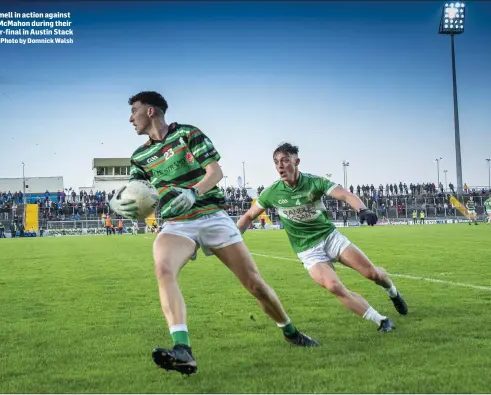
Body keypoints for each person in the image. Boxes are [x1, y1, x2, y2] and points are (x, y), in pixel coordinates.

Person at [111, 92, 318, 375]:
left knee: (255, 284)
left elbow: (215, 172)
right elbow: (139, 196)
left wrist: (194, 192)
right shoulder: (139, 157)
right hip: (176, 223)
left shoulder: (188, 134)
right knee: (163, 269)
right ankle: (182, 349)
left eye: (134, 110)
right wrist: (124, 203)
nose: (130, 118)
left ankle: (290, 331)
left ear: (150, 111)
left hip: (212, 216)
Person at [237, 143, 408, 333]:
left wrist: (362, 209)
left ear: (297, 161)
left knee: (372, 274)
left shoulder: (313, 182)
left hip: (330, 238)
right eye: (276, 162)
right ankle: (382, 321)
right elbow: (247, 216)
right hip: (307, 250)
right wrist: (232, 238)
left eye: (285, 160)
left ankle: (393, 292)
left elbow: (344, 194)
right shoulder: (272, 192)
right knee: (333, 286)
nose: (280, 166)